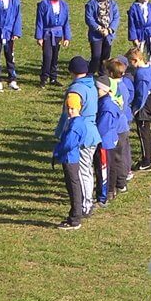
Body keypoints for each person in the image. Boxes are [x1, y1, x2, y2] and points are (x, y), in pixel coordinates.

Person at [55, 56, 99, 216]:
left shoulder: (75, 91)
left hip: (81, 136)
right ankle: (88, 202)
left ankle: (85, 205)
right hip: (92, 133)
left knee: (81, 172)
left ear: (71, 71)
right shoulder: (91, 85)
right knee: (87, 170)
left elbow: (73, 115)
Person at [52, 92, 86, 230]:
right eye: (69, 108)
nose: (71, 111)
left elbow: (68, 144)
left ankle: (75, 219)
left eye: (73, 108)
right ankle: (74, 215)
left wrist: (57, 152)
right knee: (72, 187)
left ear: (79, 108)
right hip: (71, 157)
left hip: (70, 158)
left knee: (73, 188)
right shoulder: (76, 122)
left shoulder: (75, 125)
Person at [129, 47, 151, 171]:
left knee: (143, 132)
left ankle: (146, 161)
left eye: (131, 62)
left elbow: (141, 94)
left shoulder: (140, 74)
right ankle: (148, 157)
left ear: (136, 60)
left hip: (143, 104)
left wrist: (136, 109)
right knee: (146, 131)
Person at [35, 0, 71, 88]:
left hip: (58, 33)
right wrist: (39, 37)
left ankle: (53, 77)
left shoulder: (64, 5)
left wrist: (67, 37)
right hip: (47, 33)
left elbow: (66, 22)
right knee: (47, 56)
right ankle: (44, 78)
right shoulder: (44, 4)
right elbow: (39, 21)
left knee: (55, 56)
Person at [104, 58, 132, 195]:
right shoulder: (124, 85)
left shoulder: (114, 88)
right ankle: (121, 182)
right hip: (123, 124)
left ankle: (117, 184)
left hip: (117, 127)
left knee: (115, 158)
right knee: (120, 156)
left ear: (110, 73)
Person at [94, 75, 122, 205]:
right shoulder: (105, 101)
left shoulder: (106, 106)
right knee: (106, 167)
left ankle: (102, 197)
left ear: (104, 90)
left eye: (97, 88)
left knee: (103, 169)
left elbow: (102, 127)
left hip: (104, 142)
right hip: (108, 140)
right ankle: (108, 191)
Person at [84, 0, 120, 75]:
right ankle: (90, 73)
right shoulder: (91, 3)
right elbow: (89, 18)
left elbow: (116, 17)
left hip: (108, 34)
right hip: (96, 35)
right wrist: (99, 28)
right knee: (96, 56)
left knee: (105, 56)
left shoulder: (112, 3)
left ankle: (103, 74)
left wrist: (109, 30)